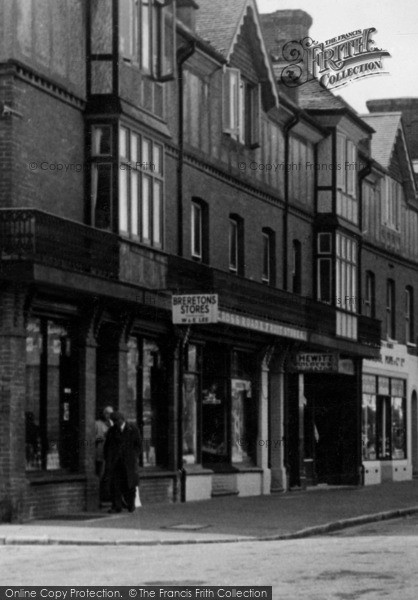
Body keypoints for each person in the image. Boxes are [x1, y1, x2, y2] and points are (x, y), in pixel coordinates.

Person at [103, 411, 141, 513]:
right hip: (116, 463)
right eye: (114, 421)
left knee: (130, 485)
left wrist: (134, 456)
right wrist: (108, 458)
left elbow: (138, 445)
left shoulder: (133, 429)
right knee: (115, 485)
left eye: (117, 421)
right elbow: (107, 446)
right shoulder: (112, 431)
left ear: (122, 420)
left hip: (129, 463)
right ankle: (116, 506)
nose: (115, 423)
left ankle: (131, 505)